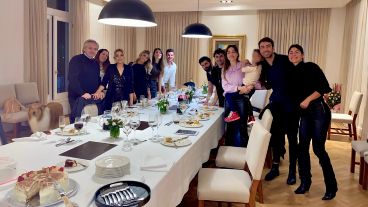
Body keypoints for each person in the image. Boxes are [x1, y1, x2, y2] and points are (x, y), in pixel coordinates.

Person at [287, 44, 337, 200]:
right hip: (305, 115)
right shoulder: (290, 73)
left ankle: (331, 187)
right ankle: (305, 183)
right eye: (291, 52)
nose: (293, 54)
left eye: (297, 52)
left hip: (319, 112)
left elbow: (323, 88)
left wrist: (308, 99)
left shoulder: (311, 67)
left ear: (302, 55)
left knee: (318, 149)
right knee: (302, 148)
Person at [258, 37, 299, 185]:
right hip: (276, 103)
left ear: (273, 47)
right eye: (262, 47)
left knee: (293, 138)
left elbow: (298, 76)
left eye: (268, 46)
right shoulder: (262, 65)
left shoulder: (284, 60)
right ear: (260, 50)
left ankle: (292, 171)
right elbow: (267, 85)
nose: (265, 49)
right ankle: (275, 167)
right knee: (275, 135)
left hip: (291, 104)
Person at [68, 39, 104, 123]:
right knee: (78, 122)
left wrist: (100, 91)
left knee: (93, 121)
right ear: (84, 49)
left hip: (92, 97)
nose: (93, 51)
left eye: (95, 49)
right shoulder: (76, 60)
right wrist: (82, 93)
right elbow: (72, 79)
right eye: (90, 48)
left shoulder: (96, 63)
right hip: (78, 96)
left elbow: (97, 80)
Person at [222, 45, 252, 146]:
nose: (231, 54)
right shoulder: (224, 69)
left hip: (241, 98)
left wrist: (248, 87)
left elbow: (251, 77)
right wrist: (239, 88)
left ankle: (244, 149)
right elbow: (225, 87)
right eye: (228, 52)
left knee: (242, 125)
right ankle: (229, 148)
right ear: (226, 55)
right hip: (229, 99)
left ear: (237, 53)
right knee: (230, 126)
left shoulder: (243, 65)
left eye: (233, 51)